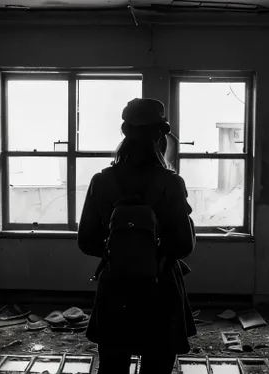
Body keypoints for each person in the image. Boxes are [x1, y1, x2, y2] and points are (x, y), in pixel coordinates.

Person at [77, 98, 197, 374]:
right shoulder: (171, 183)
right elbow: (183, 246)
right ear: (160, 136)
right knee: (157, 366)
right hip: (161, 290)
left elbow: (86, 241)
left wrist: (121, 251)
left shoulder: (102, 180)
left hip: (116, 289)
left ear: (125, 133)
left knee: (113, 367)